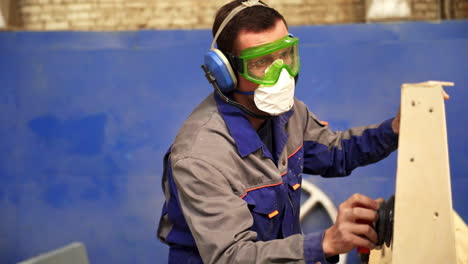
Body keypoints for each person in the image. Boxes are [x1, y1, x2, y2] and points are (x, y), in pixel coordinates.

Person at [157, 1, 402, 263]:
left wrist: (395, 130)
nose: (281, 74)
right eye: (261, 62)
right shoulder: (199, 159)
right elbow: (233, 257)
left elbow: (336, 153)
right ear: (226, 73)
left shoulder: (287, 114)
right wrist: (326, 242)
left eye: (285, 55)